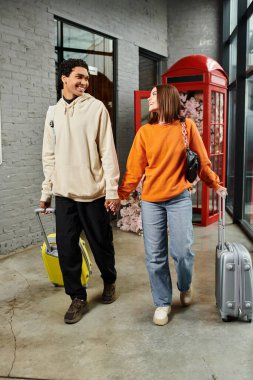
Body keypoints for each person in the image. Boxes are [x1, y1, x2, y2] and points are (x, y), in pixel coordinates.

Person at [113, 84, 227, 326]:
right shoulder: (145, 132)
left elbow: (203, 162)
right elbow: (134, 170)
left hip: (179, 199)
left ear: (166, 98)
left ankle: (185, 285)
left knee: (182, 251)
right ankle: (162, 302)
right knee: (155, 256)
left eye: (154, 95)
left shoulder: (187, 127)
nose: (150, 99)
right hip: (152, 201)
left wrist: (215, 184)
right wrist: (121, 194)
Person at [39, 58, 120, 324]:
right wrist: (46, 191)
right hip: (64, 195)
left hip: (93, 194)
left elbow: (108, 152)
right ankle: (77, 297)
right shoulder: (53, 113)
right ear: (64, 78)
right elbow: (48, 156)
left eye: (86, 78)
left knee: (101, 244)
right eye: (78, 77)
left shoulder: (96, 109)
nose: (84, 82)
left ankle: (109, 280)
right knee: (67, 248)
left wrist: (112, 191)